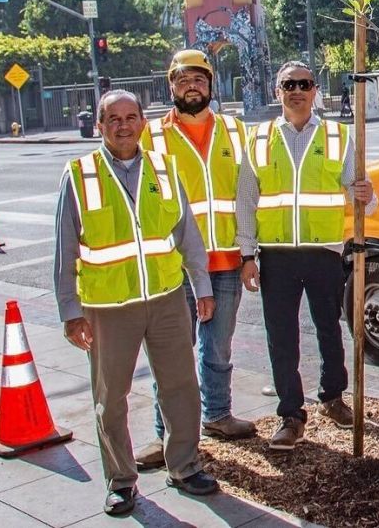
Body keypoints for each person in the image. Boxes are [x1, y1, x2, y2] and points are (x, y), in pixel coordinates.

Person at [53, 90, 220, 517]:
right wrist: (71, 312)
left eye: (131, 117)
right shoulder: (79, 175)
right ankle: (121, 481)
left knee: (181, 386)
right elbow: (65, 250)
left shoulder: (163, 169)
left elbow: (188, 235)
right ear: (99, 125)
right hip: (109, 308)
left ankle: (183, 466)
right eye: (114, 118)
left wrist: (201, 285)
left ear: (144, 123)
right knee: (111, 397)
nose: (123, 125)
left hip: (165, 299)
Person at [236, 61, 376, 451]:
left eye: (304, 83)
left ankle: (333, 396)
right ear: (277, 91)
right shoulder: (259, 138)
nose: (296, 90)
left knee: (330, 329)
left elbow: (358, 191)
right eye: (288, 84)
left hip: (325, 251)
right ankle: (291, 415)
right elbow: (246, 200)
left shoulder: (337, 135)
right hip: (276, 255)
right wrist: (247, 254)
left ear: (315, 90)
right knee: (281, 336)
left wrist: (368, 196)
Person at [132, 50, 255, 472]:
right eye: (183, 79)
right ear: (172, 85)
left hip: (225, 261)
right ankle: (163, 433)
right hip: (175, 265)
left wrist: (250, 253)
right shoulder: (152, 136)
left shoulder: (235, 132)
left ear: (211, 84)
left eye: (199, 79)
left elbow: (247, 197)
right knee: (172, 353)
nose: (192, 86)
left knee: (217, 348)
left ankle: (217, 415)